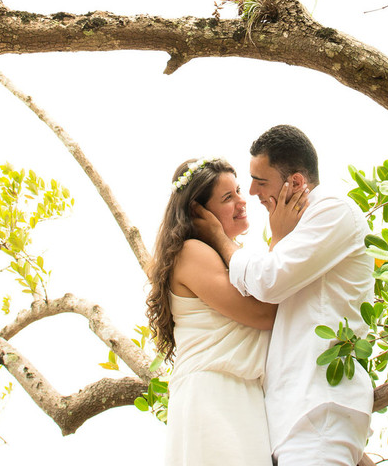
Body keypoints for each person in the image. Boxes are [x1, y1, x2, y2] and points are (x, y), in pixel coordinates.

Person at [194, 125, 374, 466]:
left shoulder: (333, 211)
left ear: (294, 182)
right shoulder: (296, 231)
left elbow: (269, 281)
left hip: (318, 407)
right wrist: (279, 238)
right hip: (291, 416)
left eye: (260, 181)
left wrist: (220, 239)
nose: (251, 191)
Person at [146, 157, 305, 465]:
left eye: (239, 191)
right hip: (213, 393)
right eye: (227, 197)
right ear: (197, 211)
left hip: (240, 394)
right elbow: (263, 313)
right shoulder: (192, 252)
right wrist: (281, 237)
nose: (242, 202)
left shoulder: (228, 257)